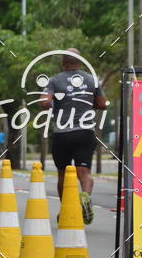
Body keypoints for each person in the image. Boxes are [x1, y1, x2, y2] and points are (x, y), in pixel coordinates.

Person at [40, 48, 107, 224]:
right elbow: (103, 104)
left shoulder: (55, 80)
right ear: (80, 62)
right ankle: (85, 196)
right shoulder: (91, 79)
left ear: (63, 63)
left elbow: (44, 102)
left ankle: (65, 210)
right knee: (84, 173)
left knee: (62, 174)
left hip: (62, 134)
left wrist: (53, 104)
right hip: (85, 133)